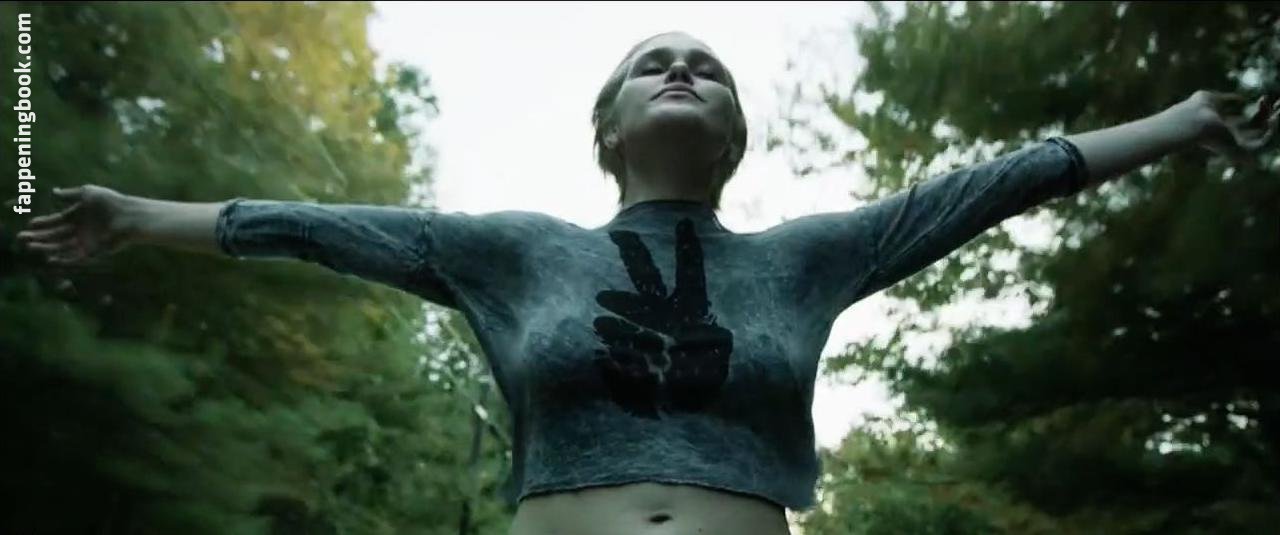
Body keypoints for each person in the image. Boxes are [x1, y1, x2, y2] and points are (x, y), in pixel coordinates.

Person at [14, 30, 1278, 535]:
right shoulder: (513, 251)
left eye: (706, 67)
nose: (681, 68)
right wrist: (135, 216)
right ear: (606, 128)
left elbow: (994, 184)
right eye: (650, 62)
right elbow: (313, 228)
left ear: (731, 136)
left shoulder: (806, 259)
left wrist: (1176, 122)